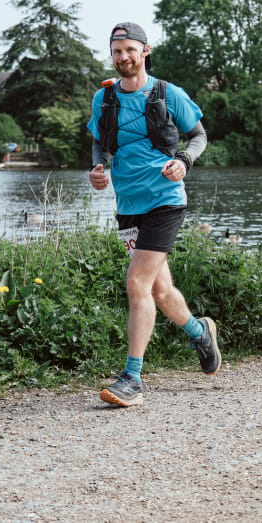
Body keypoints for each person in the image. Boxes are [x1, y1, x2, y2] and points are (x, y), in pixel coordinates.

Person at [87, 22, 218, 407]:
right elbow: (98, 141)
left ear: (145, 51)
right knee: (159, 290)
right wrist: (98, 168)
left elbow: (199, 136)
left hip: (165, 200)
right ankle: (200, 332)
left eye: (130, 49)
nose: (123, 57)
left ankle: (132, 378)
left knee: (136, 283)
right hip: (128, 207)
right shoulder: (104, 98)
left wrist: (184, 160)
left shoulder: (168, 93)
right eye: (117, 51)